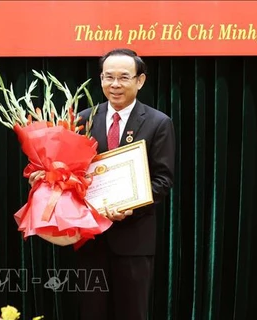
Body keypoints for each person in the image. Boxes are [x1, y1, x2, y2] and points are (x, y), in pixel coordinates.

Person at [76, 48, 175, 319]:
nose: (115, 85)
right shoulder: (82, 120)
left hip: (134, 240)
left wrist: (131, 206)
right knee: (91, 313)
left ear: (140, 80)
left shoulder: (158, 123)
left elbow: (163, 180)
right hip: (91, 241)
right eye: (109, 77)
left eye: (123, 77)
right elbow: (72, 175)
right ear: (100, 79)